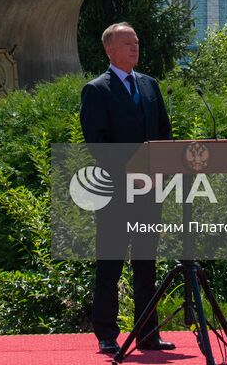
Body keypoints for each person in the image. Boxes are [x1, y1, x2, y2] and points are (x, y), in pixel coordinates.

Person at [80, 22, 176, 356]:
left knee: (146, 262)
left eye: (136, 42)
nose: (135, 48)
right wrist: (131, 172)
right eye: (127, 43)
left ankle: (148, 331)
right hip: (116, 193)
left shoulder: (149, 85)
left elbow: (164, 132)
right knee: (111, 262)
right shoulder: (97, 90)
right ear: (110, 49)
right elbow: (97, 143)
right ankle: (107, 333)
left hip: (151, 191)